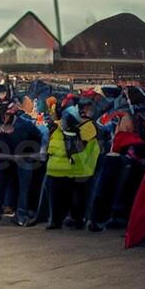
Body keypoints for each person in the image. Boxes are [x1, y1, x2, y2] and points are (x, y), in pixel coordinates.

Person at [45, 98, 100, 230]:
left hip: (74, 168)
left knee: (74, 198)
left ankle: (73, 220)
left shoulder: (86, 127)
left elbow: (77, 146)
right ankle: (61, 220)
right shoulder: (64, 125)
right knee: (62, 197)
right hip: (65, 168)